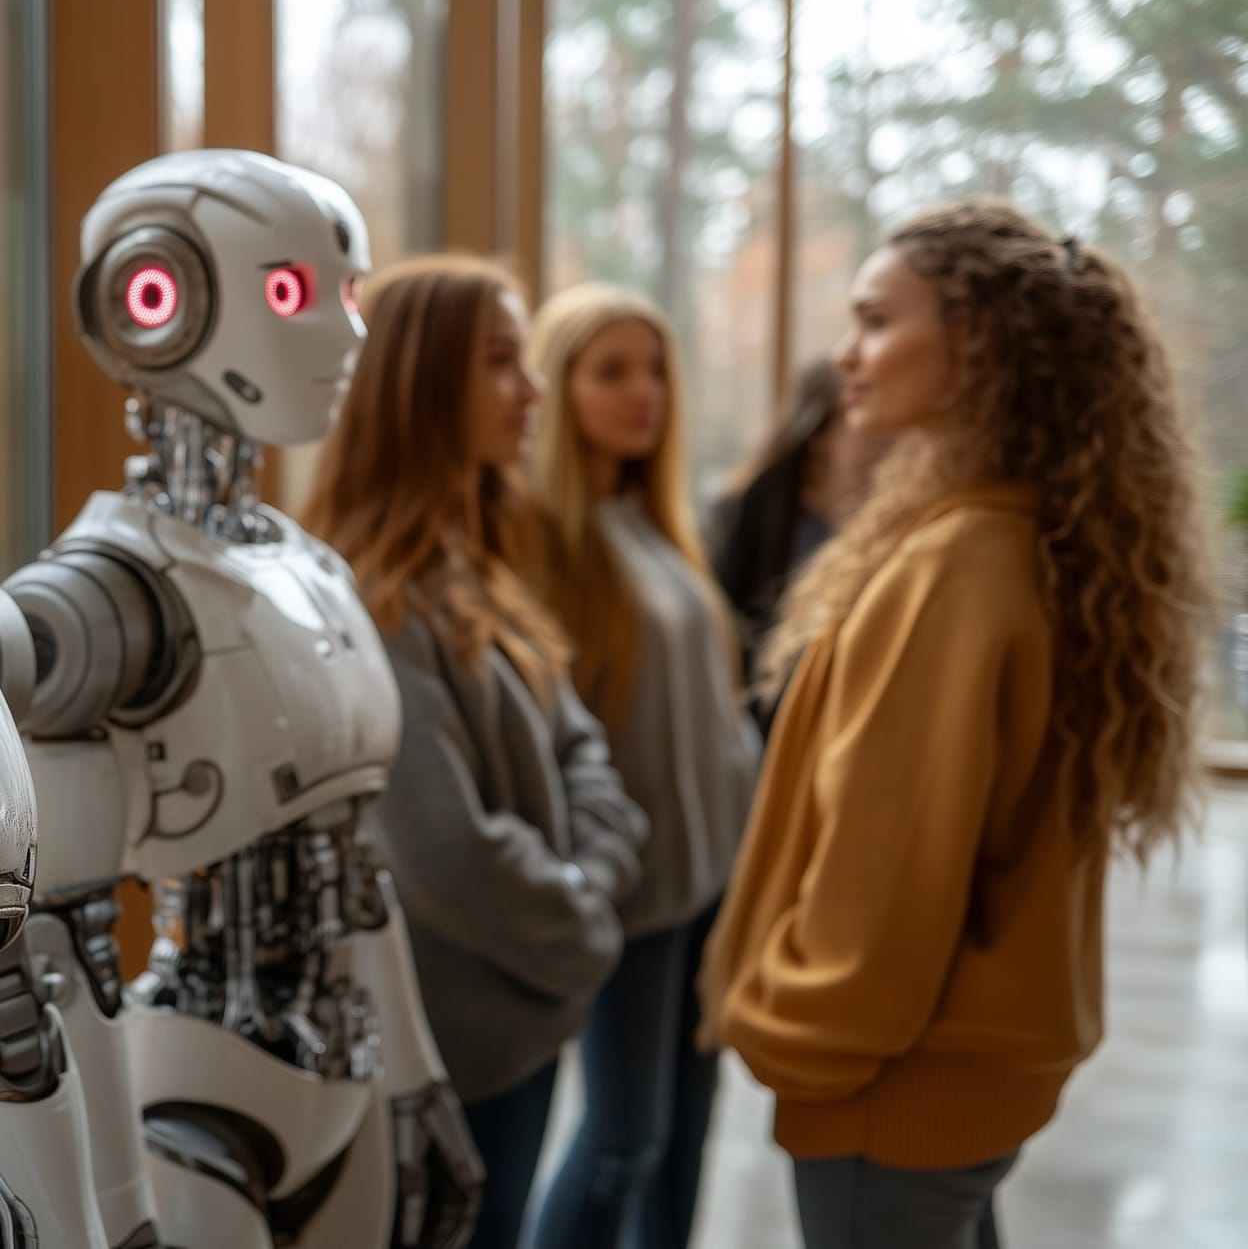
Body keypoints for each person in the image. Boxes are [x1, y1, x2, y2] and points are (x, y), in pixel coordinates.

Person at [700, 200, 1211, 1249]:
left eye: (877, 320)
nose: (845, 353)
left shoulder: (950, 566)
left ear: (977, 342)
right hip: (973, 1066)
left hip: (895, 1081)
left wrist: (787, 1026)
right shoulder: (1030, 536)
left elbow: (882, 861)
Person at [300, 255, 647, 1249]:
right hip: (452, 1046)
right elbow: (447, 850)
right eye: (501, 360)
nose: (532, 388)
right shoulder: (375, 595)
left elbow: (584, 748)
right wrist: (585, 923)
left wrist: (584, 877)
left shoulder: (473, 555)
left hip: (516, 1022)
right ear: (418, 384)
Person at [522, 284, 761, 1249]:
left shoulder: (657, 522)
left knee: (682, 1137)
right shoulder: (548, 537)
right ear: (557, 385)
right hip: (636, 893)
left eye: (655, 368)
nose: (643, 392)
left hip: (710, 881)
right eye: (611, 370)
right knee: (625, 1141)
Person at [704, 358, 891, 701]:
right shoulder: (749, 512)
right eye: (857, 413)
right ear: (819, 431)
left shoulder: (884, 524)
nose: (884, 436)